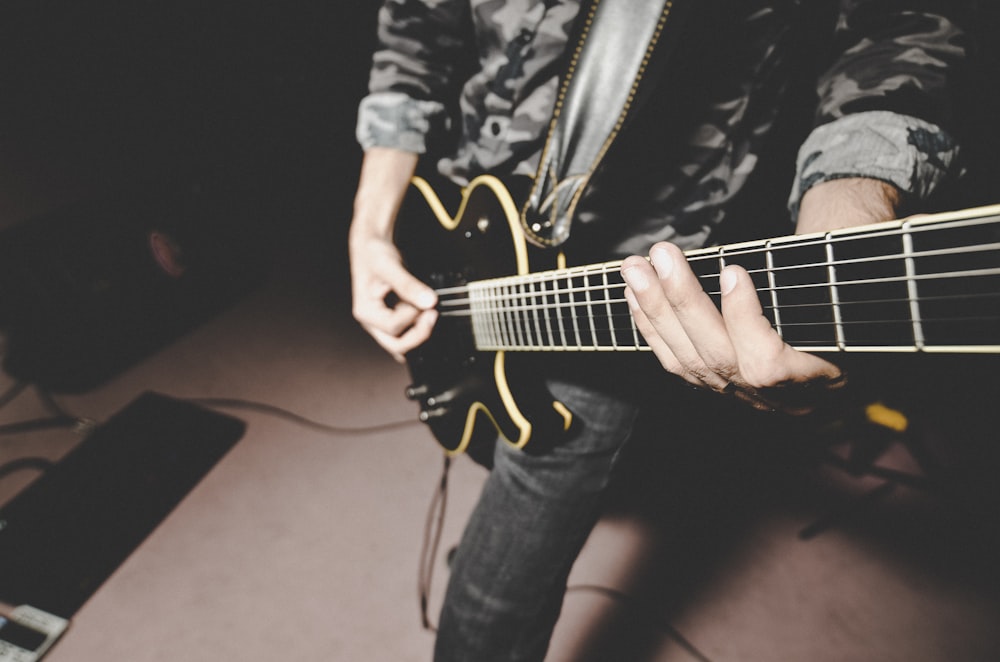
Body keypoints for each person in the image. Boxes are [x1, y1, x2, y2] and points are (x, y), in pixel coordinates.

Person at [348, 1, 972, 659]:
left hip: (626, 281)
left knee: (497, 594)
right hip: (460, 218)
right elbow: (415, 31)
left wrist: (848, 218)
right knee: (487, 448)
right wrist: (370, 224)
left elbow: (898, 29)